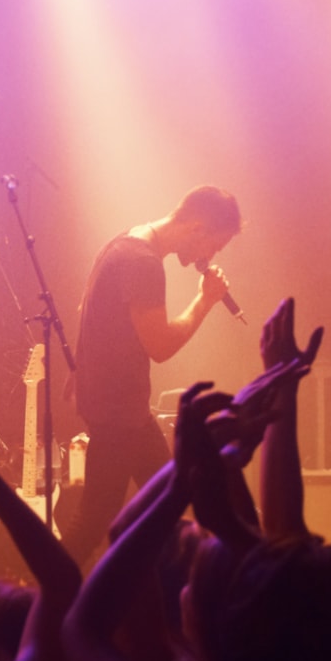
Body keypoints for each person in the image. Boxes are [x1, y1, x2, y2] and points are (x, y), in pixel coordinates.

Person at [64, 186, 241, 558]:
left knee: (171, 499)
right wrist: (204, 301)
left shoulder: (124, 242)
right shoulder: (143, 263)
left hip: (126, 410)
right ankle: (38, 601)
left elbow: (90, 312)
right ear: (197, 228)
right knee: (93, 521)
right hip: (117, 414)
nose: (209, 256)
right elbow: (160, 347)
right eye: (216, 245)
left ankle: (174, 589)